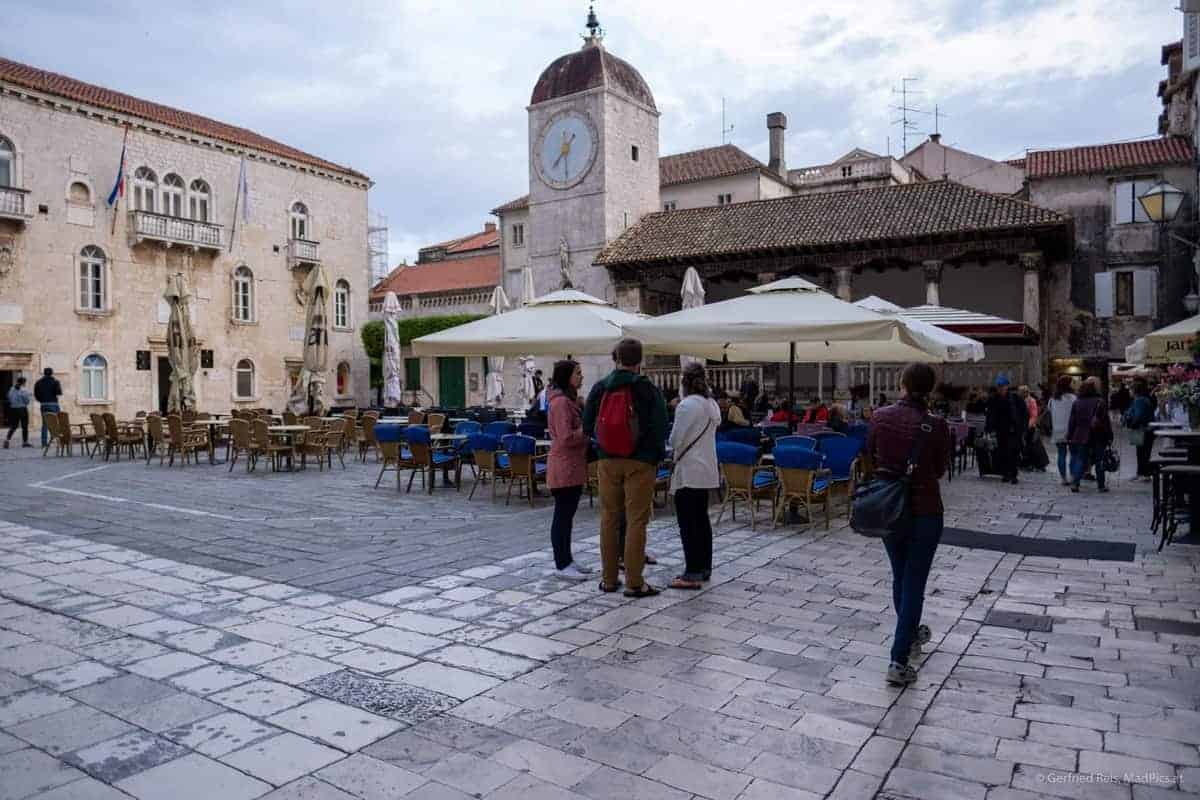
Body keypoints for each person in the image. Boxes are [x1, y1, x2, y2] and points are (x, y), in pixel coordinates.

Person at [866, 363, 951, 686]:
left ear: (901, 383)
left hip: (889, 508)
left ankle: (911, 638)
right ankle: (898, 659)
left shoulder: (880, 417)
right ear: (929, 389)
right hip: (925, 509)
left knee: (901, 576)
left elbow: (870, 456)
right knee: (913, 582)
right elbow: (941, 468)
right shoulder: (936, 425)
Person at [583, 338, 668, 598]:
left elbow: (587, 425)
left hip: (607, 460)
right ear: (639, 361)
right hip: (640, 461)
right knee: (636, 520)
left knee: (609, 518)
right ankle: (634, 582)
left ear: (616, 358)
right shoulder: (647, 389)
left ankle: (608, 580)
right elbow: (661, 425)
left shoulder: (600, 387)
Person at [669, 363, 720, 590]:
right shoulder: (712, 404)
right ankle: (705, 566)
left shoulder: (687, 405)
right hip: (706, 467)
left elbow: (675, 439)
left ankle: (692, 570)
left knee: (687, 522)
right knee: (701, 519)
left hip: (689, 468)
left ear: (685, 382)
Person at [546, 360, 591, 579]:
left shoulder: (567, 401)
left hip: (571, 465)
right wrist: (587, 430)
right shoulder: (561, 403)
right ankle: (562, 564)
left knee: (567, 516)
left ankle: (567, 559)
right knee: (562, 516)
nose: (581, 377)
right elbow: (565, 437)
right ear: (567, 377)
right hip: (565, 465)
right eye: (578, 373)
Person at [1067, 376, 1112, 493]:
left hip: (1081, 435)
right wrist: (1110, 436)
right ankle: (1101, 485)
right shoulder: (1100, 402)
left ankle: (1075, 483)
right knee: (1099, 461)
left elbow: (1072, 421)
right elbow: (1106, 422)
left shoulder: (1077, 403)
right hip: (1098, 435)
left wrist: (1069, 436)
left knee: (1081, 460)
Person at [986, 376, 1026, 483]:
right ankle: (1005, 474)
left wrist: (1022, 428)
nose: (1000, 388)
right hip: (1001, 430)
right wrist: (989, 428)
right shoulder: (994, 399)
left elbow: (1023, 413)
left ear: (1007, 386)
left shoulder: (1015, 398)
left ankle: (1013, 474)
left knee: (1014, 452)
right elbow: (990, 414)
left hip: (1014, 430)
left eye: (1002, 386)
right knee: (1002, 452)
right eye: (998, 386)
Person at [1048, 375, 1077, 486]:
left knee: (1061, 454)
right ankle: (1073, 476)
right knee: (1073, 454)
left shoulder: (1053, 399)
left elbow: (1050, 412)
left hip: (1058, 429)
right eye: (1072, 382)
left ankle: (1063, 478)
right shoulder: (1073, 398)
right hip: (1071, 429)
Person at [1125, 379, 1155, 480]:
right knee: (1142, 452)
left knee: (1142, 453)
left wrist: (1131, 423)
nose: (1129, 391)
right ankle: (1141, 473)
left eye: (1130, 389)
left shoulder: (1139, 400)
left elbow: (1138, 415)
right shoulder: (1144, 399)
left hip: (1141, 429)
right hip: (1146, 430)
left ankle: (1144, 474)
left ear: (1135, 390)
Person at [34, 367, 62, 449]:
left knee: (45, 424)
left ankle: (44, 443)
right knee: (56, 423)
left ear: (44, 373)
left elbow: (36, 395)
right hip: (53, 404)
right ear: (52, 373)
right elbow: (59, 392)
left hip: (43, 405)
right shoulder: (55, 382)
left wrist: (41, 400)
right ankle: (58, 441)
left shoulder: (38, 382)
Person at [5, 377, 32, 448]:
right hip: (22, 409)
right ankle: (25, 442)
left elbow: (8, 397)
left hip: (13, 409)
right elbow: (27, 401)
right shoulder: (24, 390)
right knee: (24, 426)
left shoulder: (11, 389)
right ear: (23, 383)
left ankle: (7, 440)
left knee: (13, 426)